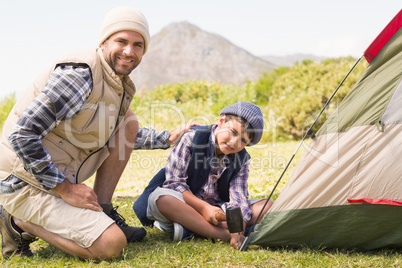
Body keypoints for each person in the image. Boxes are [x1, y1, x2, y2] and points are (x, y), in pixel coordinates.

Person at [0, 7, 195, 260]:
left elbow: (115, 133)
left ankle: (102, 211)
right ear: (103, 42)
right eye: (121, 41)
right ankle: (17, 222)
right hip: (22, 182)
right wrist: (66, 189)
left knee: (129, 121)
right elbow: (22, 134)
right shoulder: (79, 75)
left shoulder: (114, 82)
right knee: (112, 245)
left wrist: (166, 139)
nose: (129, 51)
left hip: (53, 178)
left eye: (138, 45)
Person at [134, 101, 273, 249]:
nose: (234, 142)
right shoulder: (192, 138)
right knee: (163, 200)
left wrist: (237, 229)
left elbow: (239, 199)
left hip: (219, 209)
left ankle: (190, 228)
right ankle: (221, 234)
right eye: (233, 132)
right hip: (185, 203)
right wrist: (204, 208)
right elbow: (175, 183)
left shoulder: (242, 158)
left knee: (266, 207)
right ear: (221, 121)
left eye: (243, 141)